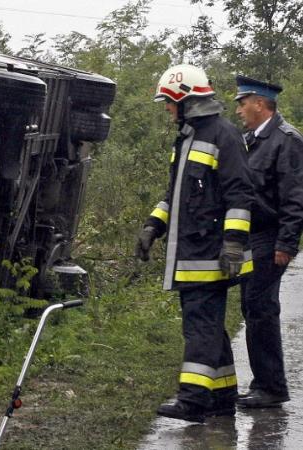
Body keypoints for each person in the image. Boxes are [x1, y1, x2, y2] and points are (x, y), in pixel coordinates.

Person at [136, 64, 254, 423]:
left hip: (212, 256)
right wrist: (151, 227)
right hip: (191, 255)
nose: (167, 110)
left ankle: (193, 401)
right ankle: (221, 396)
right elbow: (175, 195)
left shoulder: (224, 136)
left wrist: (233, 243)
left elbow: (241, 195)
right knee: (209, 326)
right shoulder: (186, 138)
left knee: (200, 327)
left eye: (169, 104)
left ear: (185, 100)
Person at [233, 75, 303, 408]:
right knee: (254, 308)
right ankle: (267, 383)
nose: (238, 110)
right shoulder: (251, 140)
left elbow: (295, 198)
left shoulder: (286, 141)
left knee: (260, 309)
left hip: (271, 237)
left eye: (242, 103)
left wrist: (286, 244)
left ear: (260, 104)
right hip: (252, 237)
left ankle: (271, 388)